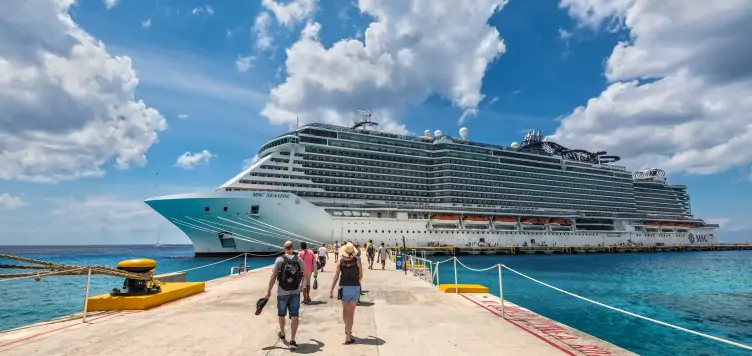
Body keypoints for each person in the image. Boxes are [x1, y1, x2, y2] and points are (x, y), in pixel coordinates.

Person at [266, 241, 305, 350]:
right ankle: (293, 340)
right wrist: (302, 285)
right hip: (295, 291)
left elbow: (273, 276)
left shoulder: (279, 259)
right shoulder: (298, 259)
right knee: (295, 316)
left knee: (281, 314)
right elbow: (303, 273)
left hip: (282, 291)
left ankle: (282, 333)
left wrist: (268, 291)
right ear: (293, 248)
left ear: (284, 249)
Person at [329, 243, 363, 344]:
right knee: (351, 313)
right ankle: (348, 336)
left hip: (343, 287)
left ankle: (347, 327)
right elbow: (361, 275)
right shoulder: (358, 261)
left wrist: (331, 290)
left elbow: (335, 277)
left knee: (345, 310)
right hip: (354, 287)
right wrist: (357, 281)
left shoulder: (340, 262)